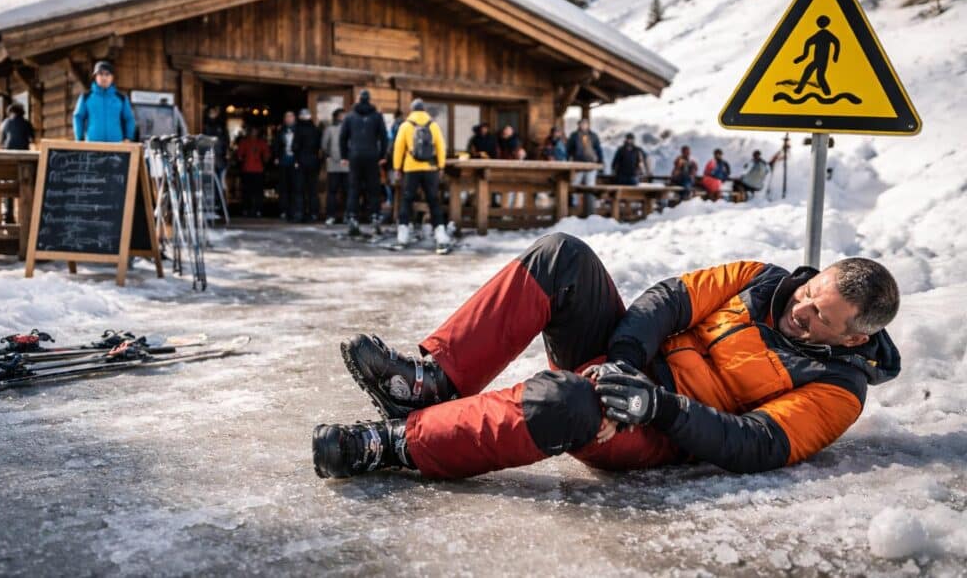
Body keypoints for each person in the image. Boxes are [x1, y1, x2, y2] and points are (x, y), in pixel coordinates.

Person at [312, 232, 902, 480]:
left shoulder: (838, 389)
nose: (799, 309)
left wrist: (659, 407)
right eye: (807, 295)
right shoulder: (761, 279)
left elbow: (759, 444)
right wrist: (622, 357)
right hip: (631, 364)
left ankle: (396, 445)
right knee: (561, 255)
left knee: (564, 400)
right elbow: (670, 300)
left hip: (661, 429)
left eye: (821, 316)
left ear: (854, 337)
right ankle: (432, 383)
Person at [392, 99, 449, 248]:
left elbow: (398, 147)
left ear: (412, 110)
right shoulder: (433, 125)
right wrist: (441, 166)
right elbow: (441, 146)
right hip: (430, 168)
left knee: (407, 199)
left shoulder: (405, 126)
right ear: (424, 110)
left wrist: (397, 167)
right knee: (433, 200)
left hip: (411, 168)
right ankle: (440, 233)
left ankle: (403, 233)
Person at [341, 90, 389, 235]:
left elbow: (343, 137)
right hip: (372, 155)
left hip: (355, 154)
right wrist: (382, 155)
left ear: (358, 99)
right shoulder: (377, 116)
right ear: (369, 100)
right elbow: (384, 137)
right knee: (373, 189)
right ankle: (374, 217)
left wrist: (344, 156)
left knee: (354, 188)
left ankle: (353, 217)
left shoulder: (350, 116)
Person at [72, 61, 136, 142]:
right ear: (95, 77)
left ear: (112, 77)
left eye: (107, 74)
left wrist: (128, 137)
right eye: (100, 74)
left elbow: (129, 119)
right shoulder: (86, 97)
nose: (104, 77)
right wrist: (79, 138)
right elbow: (78, 117)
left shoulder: (121, 98)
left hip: (117, 146)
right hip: (92, 146)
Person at [0, 103, 35, 223]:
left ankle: (8, 214)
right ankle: (25, 215)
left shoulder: (5, 123)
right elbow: (32, 138)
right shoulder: (26, 123)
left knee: (8, 184)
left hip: (8, 158)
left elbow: (2, 140)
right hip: (24, 158)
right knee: (25, 183)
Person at [566, 119, 603, 211]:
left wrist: (601, 161)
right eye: (582, 124)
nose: (584, 125)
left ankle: (590, 208)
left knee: (590, 187)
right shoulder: (574, 136)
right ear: (579, 125)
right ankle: (573, 208)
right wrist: (567, 160)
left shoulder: (593, 136)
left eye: (585, 124)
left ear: (588, 125)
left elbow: (598, 149)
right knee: (574, 186)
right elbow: (568, 149)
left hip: (591, 165)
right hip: (577, 165)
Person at [293, 109, 322, 222]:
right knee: (312, 190)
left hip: (301, 161)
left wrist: (296, 159)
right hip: (313, 161)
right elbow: (320, 146)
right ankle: (313, 213)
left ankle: (300, 213)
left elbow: (295, 146)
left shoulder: (298, 129)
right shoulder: (316, 129)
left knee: (299, 190)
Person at [320, 107, 348, 225]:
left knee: (343, 191)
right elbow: (324, 145)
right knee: (334, 191)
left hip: (344, 164)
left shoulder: (347, 129)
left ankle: (345, 215)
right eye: (342, 115)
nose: (344, 118)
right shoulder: (330, 129)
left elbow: (324, 146)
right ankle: (332, 215)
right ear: (337, 117)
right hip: (337, 164)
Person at [235, 126, 270, 217]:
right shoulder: (245, 142)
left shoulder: (260, 142)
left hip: (256, 169)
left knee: (255, 191)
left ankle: (256, 209)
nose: (254, 133)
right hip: (249, 169)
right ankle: (249, 209)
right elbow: (239, 155)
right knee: (249, 191)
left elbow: (266, 155)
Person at [272, 112, 299, 220]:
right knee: (283, 188)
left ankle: (294, 210)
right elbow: (276, 145)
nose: (288, 119)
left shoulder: (298, 130)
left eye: (291, 116)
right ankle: (284, 210)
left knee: (295, 187)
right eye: (286, 117)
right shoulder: (280, 131)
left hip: (295, 162)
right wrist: (276, 156)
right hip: (283, 161)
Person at [202, 105, 230, 188]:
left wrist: (226, 151)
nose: (212, 114)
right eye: (210, 112)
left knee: (221, 180)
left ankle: (220, 199)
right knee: (209, 180)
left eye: (214, 112)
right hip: (208, 154)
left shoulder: (221, 125)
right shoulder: (204, 124)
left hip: (220, 154)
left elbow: (226, 139)